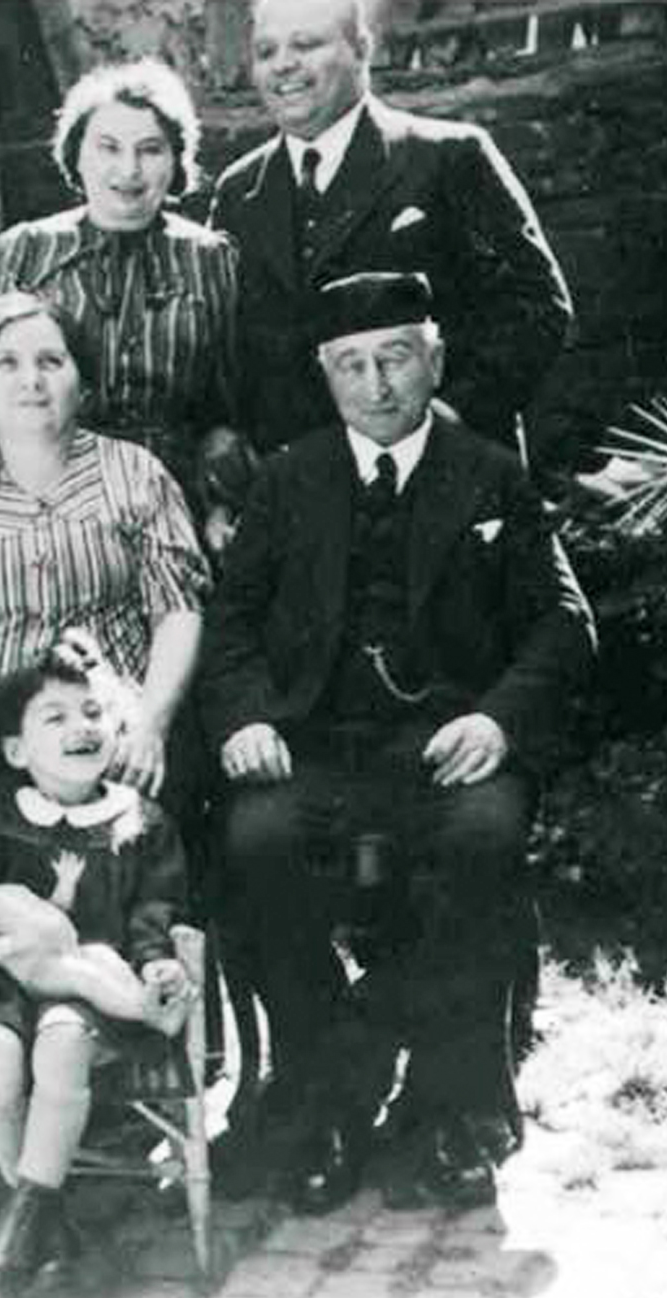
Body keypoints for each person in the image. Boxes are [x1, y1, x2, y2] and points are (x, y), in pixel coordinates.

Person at [197, 271, 595, 1212]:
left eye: (397, 358)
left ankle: (448, 1110)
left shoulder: (490, 470)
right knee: (256, 845)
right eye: (352, 365)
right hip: (316, 745)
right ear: (325, 374)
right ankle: (329, 1105)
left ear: (436, 358)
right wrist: (249, 714)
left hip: (448, 748)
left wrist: (496, 717)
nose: (377, 385)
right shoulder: (289, 478)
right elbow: (229, 623)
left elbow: (563, 622)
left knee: (482, 843)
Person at [0, 291, 211, 942]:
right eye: (8, 363)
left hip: (113, 728)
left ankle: (152, 1005)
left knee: (156, 864)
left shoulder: (136, 474)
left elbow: (178, 610)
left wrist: (153, 723)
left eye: (52, 360)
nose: (31, 379)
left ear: (83, 379)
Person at [0, 644, 191, 1293]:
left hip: (91, 984)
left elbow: (154, 911)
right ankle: (49, 1229)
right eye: (53, 718)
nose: (82, 727)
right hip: (6, 984)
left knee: (60, 1044)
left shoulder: (141, 822)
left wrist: (158, 963)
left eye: (93, 711)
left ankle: (15, 1241)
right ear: (15, 751)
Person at [209, 0, 573, 462]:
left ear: (362, 49)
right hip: (302, 489)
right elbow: (223, 343)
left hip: (443, 474)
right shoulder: (239, 191)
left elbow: (538, 303)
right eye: (265, 51)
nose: (283, 64)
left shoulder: (448, 158)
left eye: (306, 44)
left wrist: (454, 414)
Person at [0, 57, 239, 513]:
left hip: (174, 504)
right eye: (108, 147)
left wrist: (222, 501)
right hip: (44, 502)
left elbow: (229, 408)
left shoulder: (210, 259)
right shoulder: (23, 251)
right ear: (76, 155)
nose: (129, 170)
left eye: (151, 149)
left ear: (176, 161)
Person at [0, 818, 190, 1036]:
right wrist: (15, 943)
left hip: (67, 949)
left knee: (104, 956)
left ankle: (144, 996)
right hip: (38, 969)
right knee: (85, 977)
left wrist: (65, 885)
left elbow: (50, 909)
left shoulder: (7, 888)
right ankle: (146, 1014)